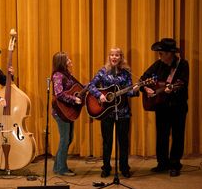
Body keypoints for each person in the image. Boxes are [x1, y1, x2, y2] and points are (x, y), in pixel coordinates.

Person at [87, 47, 139, 178]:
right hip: (106, 112)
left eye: (117, 55)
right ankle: (106, 167)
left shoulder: (126, 73)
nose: (114, 57)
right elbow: (91, 85)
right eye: (112, 55)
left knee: (123, 141)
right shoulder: (103, 72)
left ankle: (124, 167)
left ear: (121, 57)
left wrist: (136, 89)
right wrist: (99, 95)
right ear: (109, 57)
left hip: (123, 112)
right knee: (107, 141)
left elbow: (130, 92)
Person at [140, 38, 189, 177]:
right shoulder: (158, 64)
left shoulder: (183, 65)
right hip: (161, 106)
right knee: (162, 135)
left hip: (177, 106)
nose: (159, 55)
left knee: (177, 135)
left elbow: (182, 83)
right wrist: (145, 89)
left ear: (170, 53)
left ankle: (175, 164)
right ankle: (162, 163)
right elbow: (143, 78)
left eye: (161, 53)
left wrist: (172, 89)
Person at [51, 51, 85, 176]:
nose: (70, 61)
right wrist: (74, 99)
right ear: (61, 62)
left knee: (68, 138)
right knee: (65, 139)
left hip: (67, 111)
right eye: (68, 59)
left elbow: (77, 87)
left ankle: (57, 166)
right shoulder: (58, 76)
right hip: (60, 112)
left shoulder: (67, 74)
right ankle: (61, 169)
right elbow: (59, 94)